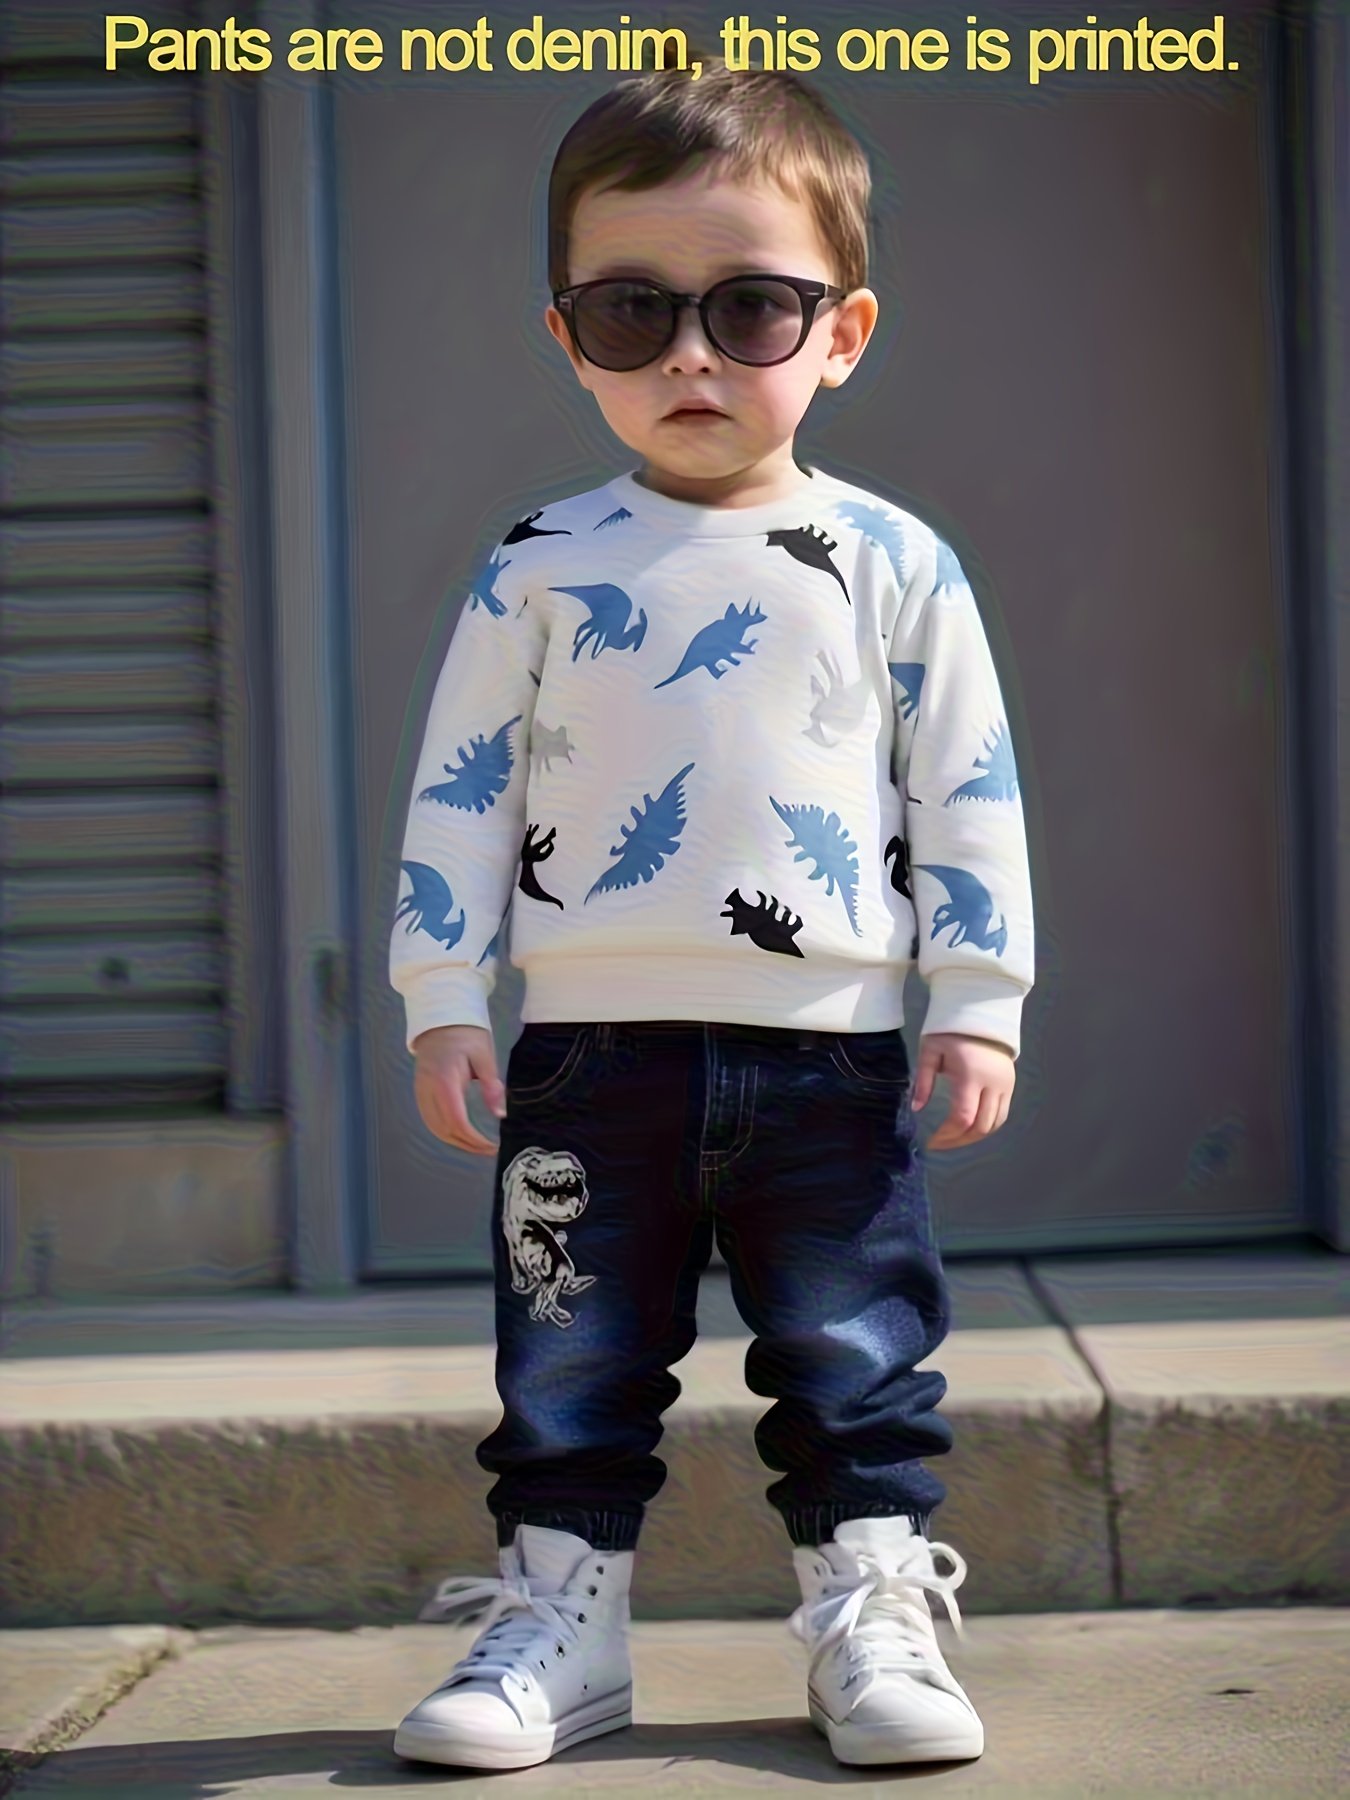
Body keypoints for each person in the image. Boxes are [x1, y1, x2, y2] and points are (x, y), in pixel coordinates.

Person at [388, 50, 1034, 1773]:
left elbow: (963, 785)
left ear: (842, 331)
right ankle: (559, 1624)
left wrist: (978, 995)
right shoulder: (537, 564)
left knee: (854, 1360)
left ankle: (870, 1611)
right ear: (566, 335)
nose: (689, 353)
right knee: (569, 1361)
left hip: (833, 1056)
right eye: (632, 310)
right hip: (583, 1058)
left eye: (749, 307)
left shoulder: (893, 563)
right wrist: (440, 992)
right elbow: (461, 788)